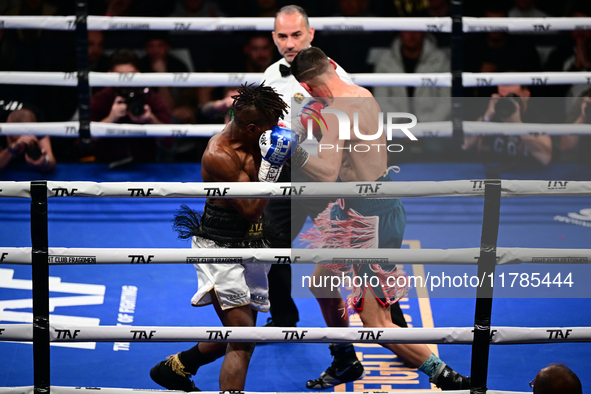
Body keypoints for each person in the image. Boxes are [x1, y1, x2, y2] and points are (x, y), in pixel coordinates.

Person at [289, 46, 470, 390]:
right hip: (359, 208)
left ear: (308, 87)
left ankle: (444, 375)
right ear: (331, 65)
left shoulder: (335, 112)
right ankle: (345, 360)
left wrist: (293, 151)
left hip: (366, 218)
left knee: (374, 320)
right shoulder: (362, 95)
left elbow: (326, 173)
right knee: (321, 282)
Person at [262, 6, 409, 390]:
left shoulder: (334, 82)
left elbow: (338, 158)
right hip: (296, 175)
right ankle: (288, 321)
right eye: (282, 36)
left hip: (335, 185)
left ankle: (402, 337)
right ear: (274, 38)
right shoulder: (271, 75)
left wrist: (294, 143)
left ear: (310, 34)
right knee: (273, 242)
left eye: (296, 35)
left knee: (359, 282)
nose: (289, 43)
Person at [149, 83, 292, 391]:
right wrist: (272, 169)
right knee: (243, 339)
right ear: (252, 128)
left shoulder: (264, 136)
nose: (278, 129)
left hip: (253, 244)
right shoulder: (220, 155)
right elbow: (251, 210)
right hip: (219, 248)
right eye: (272, 125)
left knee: (243, 331)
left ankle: (178, 366)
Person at [90, 49, 171, 165]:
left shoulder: (149, 97)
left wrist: (151, 119)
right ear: (109, 75)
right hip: (105, 165)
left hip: (145, 166)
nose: (126, 81)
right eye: (120, 76)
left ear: (138, 74)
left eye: (130, 76)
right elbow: (82, 143)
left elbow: (170, 141)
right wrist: (110, 119)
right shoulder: (100, 99)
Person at [462, 84, 553, 170]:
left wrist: (518, 125)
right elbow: (466, 145)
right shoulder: (493, 110)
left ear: (526, 95)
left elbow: (545, 158)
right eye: (502, 98)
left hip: (527, 174)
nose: (507, 103)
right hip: (494, 171)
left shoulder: (535, 116)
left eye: (512, 97)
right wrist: (487, 116)